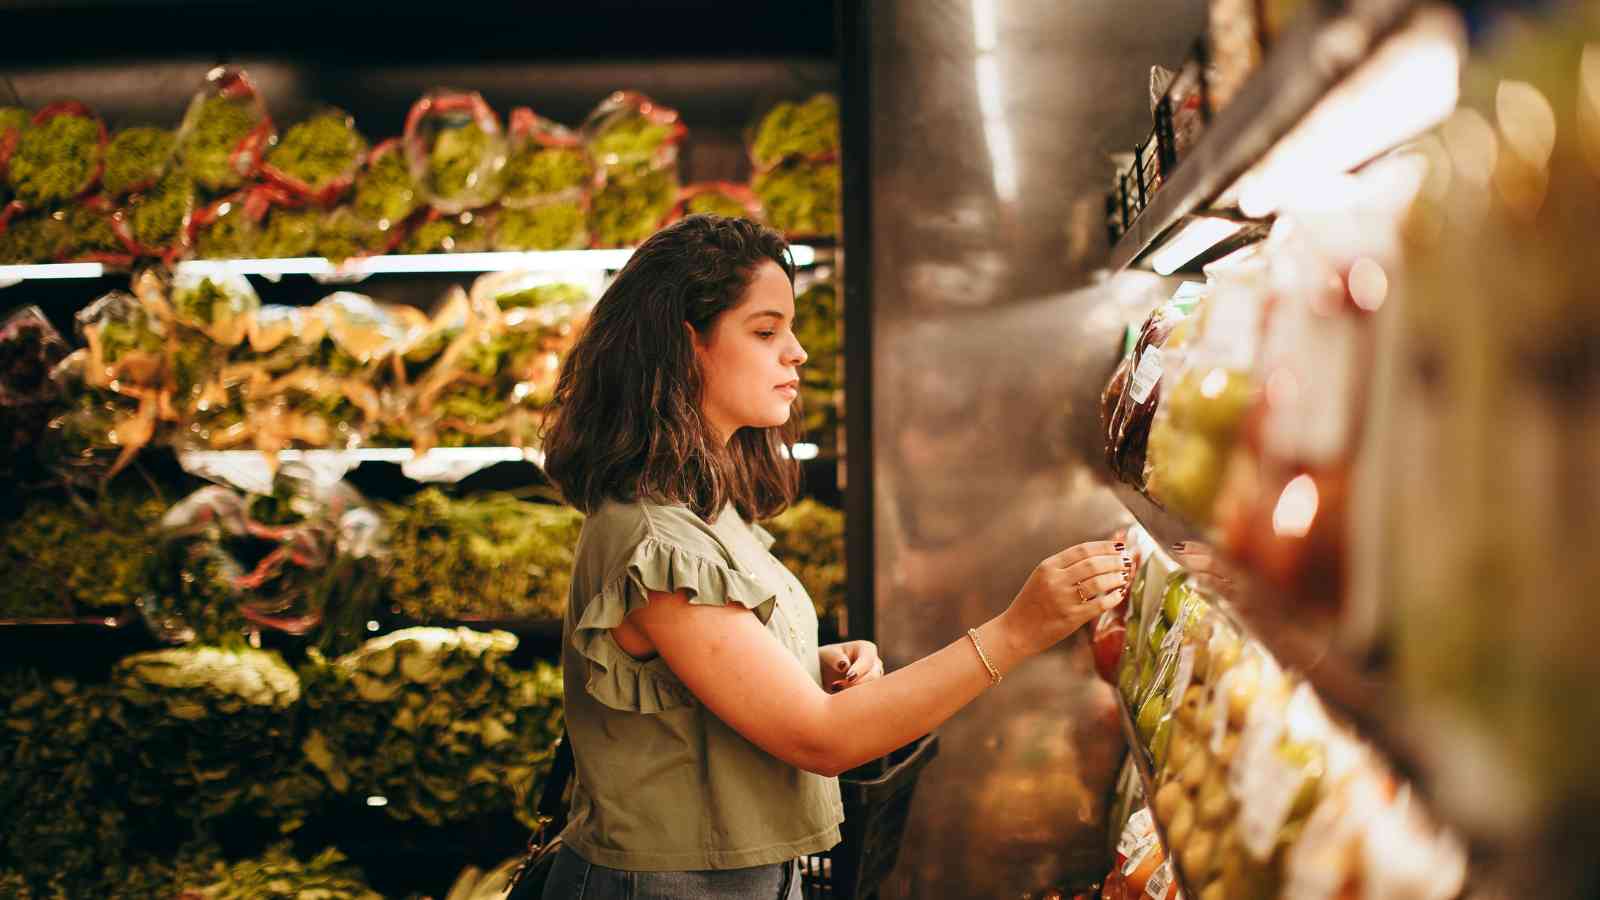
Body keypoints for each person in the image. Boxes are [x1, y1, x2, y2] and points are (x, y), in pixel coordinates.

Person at [538, 215, 1129, 900]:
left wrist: (803, 664)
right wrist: (1017, 631)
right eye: (765, 331)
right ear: (684, 344)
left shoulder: (704, 508)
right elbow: (822, 739)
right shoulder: (656, 542)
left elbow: (696, 682)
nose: (797, 353)